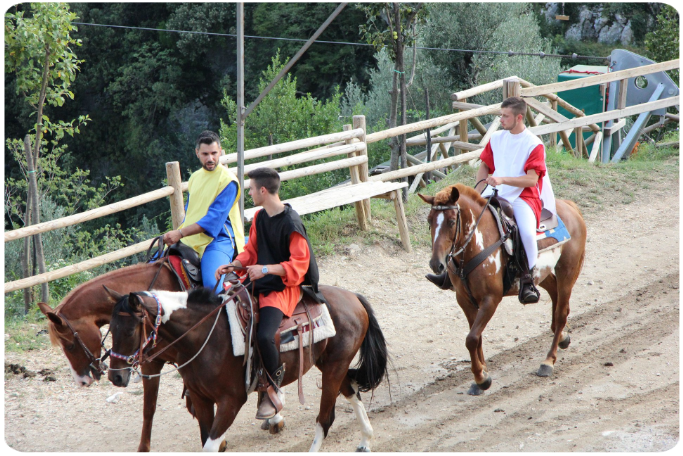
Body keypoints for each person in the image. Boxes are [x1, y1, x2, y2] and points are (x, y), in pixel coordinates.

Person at [214, 167, 323, 420]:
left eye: (251, 188)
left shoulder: (291, 223)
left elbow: (299, 265)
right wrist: (234, 265)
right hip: (261, 281)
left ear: (263, 190)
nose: (249, 192)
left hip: (284, 287)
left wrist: (265, 269)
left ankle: (273, 390)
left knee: (264, 336)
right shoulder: (260, 217)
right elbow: (251, 251)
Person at [162, 130, 245, 291]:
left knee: (212, 287)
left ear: (220, 151)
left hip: (219, 240)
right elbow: (191, 212)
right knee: (153, 265)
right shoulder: (194, 177)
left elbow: (212, 221)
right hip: (192, 238)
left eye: (214, 153)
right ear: (197, 153)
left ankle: (226, 314)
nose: (210, 158)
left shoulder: (228, 181)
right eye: (205, 154)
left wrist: (179, 233)